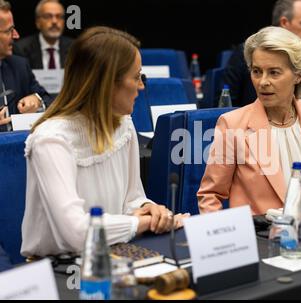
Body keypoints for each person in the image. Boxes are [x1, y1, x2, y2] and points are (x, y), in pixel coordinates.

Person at [21, 26, 189, 258]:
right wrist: (141, 223)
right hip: (59, 268)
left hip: (114, 252)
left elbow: (131, 197)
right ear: (108, 83)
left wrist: (146, 208)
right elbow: (76, 233)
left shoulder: (124, 124)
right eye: (136, 76)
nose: (141, 85)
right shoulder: (51, 140)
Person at [197, 26, 301, 215]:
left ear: (298, 75)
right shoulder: (232, 124)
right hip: (264, 237)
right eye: (257, 71)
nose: (263, 82)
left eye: (274, 72)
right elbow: (210, 195)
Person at [223, 0, 301, 122]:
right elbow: (226, 102)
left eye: (274, 72)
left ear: (299, 76)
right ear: (284, 23)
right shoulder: (248, 52)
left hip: (300, 125)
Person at [0, 0, 53, 129]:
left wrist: (37, 101)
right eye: (9, 31)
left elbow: (49, 101)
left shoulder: (19, 65)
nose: (16, 35)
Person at [14, 0, 73, 70]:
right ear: (37, 22)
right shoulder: (21, 49)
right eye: (48, 16)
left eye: (59, 16)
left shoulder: (74, 48)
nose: (54, 21)